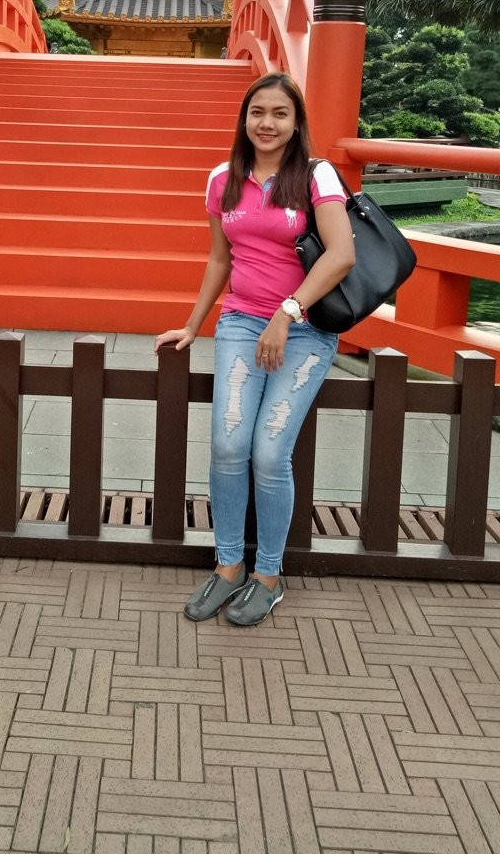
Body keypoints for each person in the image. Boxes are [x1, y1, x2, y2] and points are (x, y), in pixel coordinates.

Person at [154, 72, 356, 627]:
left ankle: (268, 575)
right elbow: (220, 259)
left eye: (280, 114)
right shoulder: (223, 179)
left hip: (306, 327)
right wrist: (193, 325)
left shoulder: (315, 176)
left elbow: (341, 254)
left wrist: (286, 314)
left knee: (269, 453)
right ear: (245, 118)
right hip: (242, 323)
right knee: (227, 445)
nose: (267, 124)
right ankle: (228, 566)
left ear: (296, 122)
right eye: (258, 112)